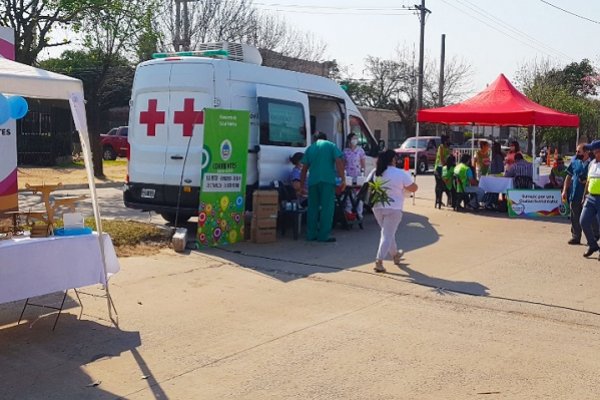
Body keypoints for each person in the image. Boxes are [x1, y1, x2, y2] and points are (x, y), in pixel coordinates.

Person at [370, 150, 418, 273]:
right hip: (394, 207)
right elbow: (413, 188)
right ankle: (379, 261)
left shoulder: (377, 172)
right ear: (392, 159)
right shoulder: (399, 173)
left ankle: (395, 255)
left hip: (377, 206)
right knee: (387, 234)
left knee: (387, 233)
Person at [300, 132, 346, 242]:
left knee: (312, 208)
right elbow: (338, 161)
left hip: (313, 181)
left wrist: (302, 185)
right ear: (325, 138)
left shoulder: (310, 148)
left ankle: (311, 234)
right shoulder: (331, 145)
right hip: (327, 180)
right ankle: (324, 235)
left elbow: (304, 168)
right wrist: (343, 178)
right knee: (327, 208)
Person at [562, 144, 598, 245]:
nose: (577, 154)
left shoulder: (593, 163)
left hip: (589, 196)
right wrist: (565, 190)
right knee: (575, 216)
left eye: (579, 152)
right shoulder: (574, 162)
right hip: (575, 194)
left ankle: (595, 237)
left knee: (591, 218)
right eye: (576, 151)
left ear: (586, 152)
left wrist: (586, 181)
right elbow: (568, 177)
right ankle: (576, 236)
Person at [579, 140, 600, 258]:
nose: (591, 152)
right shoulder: (591, 164)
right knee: (583, 221)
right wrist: (584, 196)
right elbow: (588, 181)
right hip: (591, 197)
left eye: (593, 150)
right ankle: (593, 245)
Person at [343, 133, 366, 219]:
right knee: (349, 194)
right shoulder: (345, 151)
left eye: (356, 139)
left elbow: (363, 163)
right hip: (348, 175)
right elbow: (343, 163)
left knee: (359, 195)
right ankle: (348, 212)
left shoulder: (360, 150)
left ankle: (359, 213)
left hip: (358, 175)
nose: (355, 140)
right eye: (353, 138)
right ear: (349, 140)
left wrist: (363, 173)